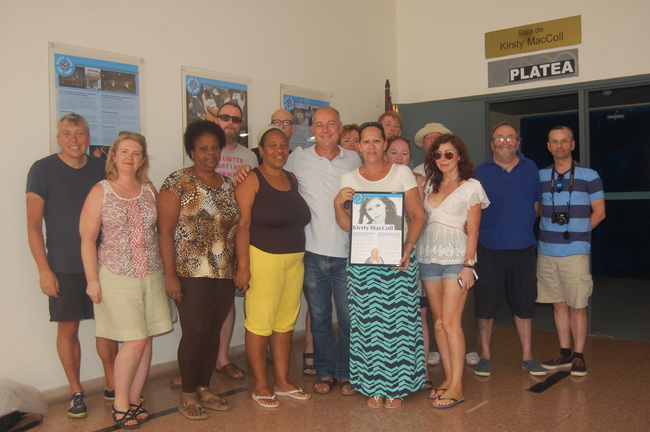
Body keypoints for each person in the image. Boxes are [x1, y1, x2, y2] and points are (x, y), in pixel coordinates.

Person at [236, 106, 362, 396]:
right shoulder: (297, 160)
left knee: (345, 318)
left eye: (332, 124)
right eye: (320, 124)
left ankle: (346, 373)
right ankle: (325, 372)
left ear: (340, 128)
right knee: (317, 318)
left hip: (344, 253)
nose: (326, 129)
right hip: (311, 252)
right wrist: (245, 169)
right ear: (312, 129)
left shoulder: (353, 159)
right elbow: (259, 185)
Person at [26, 113, 118, 419]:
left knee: (108, 328)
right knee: (68, 329)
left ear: (88, 137)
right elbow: (33, 226)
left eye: (79, 133)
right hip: (64, 264)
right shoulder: (42, 170)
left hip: (104, 262)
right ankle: (76, 391)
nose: (74, 139)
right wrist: (44, 270)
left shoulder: (101, 169)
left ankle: (113, 385)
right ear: (58, 139)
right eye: (67, 133)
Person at [80, 132, 172, 429]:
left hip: (152, 273)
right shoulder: (101, 191)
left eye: (136, 153)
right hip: (116, 274)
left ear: (143, 159)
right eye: (124, 152)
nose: (130, 157)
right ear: (114, 157)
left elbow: (160, 231)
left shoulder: (149, 188)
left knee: (145, 342)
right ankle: (119, 404)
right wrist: (92, 280)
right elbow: (87, 238)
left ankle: (134, 399)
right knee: (133, 341)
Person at [335, 121, 425, 409]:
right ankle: (372, 385)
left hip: (398, 260)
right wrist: (338, 203)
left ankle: (398, 386)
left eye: (377, 140)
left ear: (385, 144)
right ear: (357, 146)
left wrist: (409, 248)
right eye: (365, 141)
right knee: (366, 325)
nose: (371, 146)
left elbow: (417, 215)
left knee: (399, 324)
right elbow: (347, 226)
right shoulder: (349, 177)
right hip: (363, 265)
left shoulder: (401, 173)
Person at [158, 121, 239, 420]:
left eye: (215, 147)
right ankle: (188, 393)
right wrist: (169, 275)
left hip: (224, 273)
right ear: (192, 151)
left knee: (213, 332)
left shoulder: (230, 185)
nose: (210, 153)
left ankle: (204, 387)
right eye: (203, 148)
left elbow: (237, 228)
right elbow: (164, 231)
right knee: (195, 332)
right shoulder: (176, 182)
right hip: (190, 271)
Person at [234, 125, 312, 408]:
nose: (279, 150)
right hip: (263, 259)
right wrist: (243, 267)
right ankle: (261, 384)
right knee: (259, 324)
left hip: (294, 261)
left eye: (283, 145)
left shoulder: (291, 178)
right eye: (272, 146)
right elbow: (242, 225)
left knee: (284, 324)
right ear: (262, 151)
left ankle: (282, 381)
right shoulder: (252, 179)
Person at [417, 134, 489, 409]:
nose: (443, 159)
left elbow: (474, 230)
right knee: (437, 322)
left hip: (456, 259)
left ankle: (457, 386)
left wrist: (469, 265)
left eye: (449, 154)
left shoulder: (471, 187)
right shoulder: (430, 186)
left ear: (459, 155)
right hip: (428, 258)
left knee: (450, 322)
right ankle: (448, 379)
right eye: (438, 154)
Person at [473, 122, 545, 377]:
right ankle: (485, 356)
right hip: (489, 250)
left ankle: (527, 356)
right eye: (500, 138)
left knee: (524, 305)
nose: (505, 142)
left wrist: (519, 228)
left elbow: (537, 206)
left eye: (510, 138)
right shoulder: (480, 172)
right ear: (492, 144)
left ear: (518, 142)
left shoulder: (531, 168)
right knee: (485, 306)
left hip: (523, 249)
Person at [537, 126, 605, 376]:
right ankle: (564, 352)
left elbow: (600, 212)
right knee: (558, 304)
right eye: (554, 141)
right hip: (546, 250)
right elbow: (537, 209)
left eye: (564, 141)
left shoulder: (589, 175)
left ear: (573, 145)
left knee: (577, 305)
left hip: (575, 250)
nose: (559, 146)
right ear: (549, 146)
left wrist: (579, 233)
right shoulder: (542, 175)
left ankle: (578, 354)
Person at [213, 101, 256, 380]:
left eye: (236, 120)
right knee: (210, 302)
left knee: (234, 299)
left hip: (239, 236)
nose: (230, 123)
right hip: (209, 240)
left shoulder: (250, 157)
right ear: (216, 120)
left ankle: (222, 358)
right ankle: (199, 359)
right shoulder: (205, 149)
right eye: (225, 118)